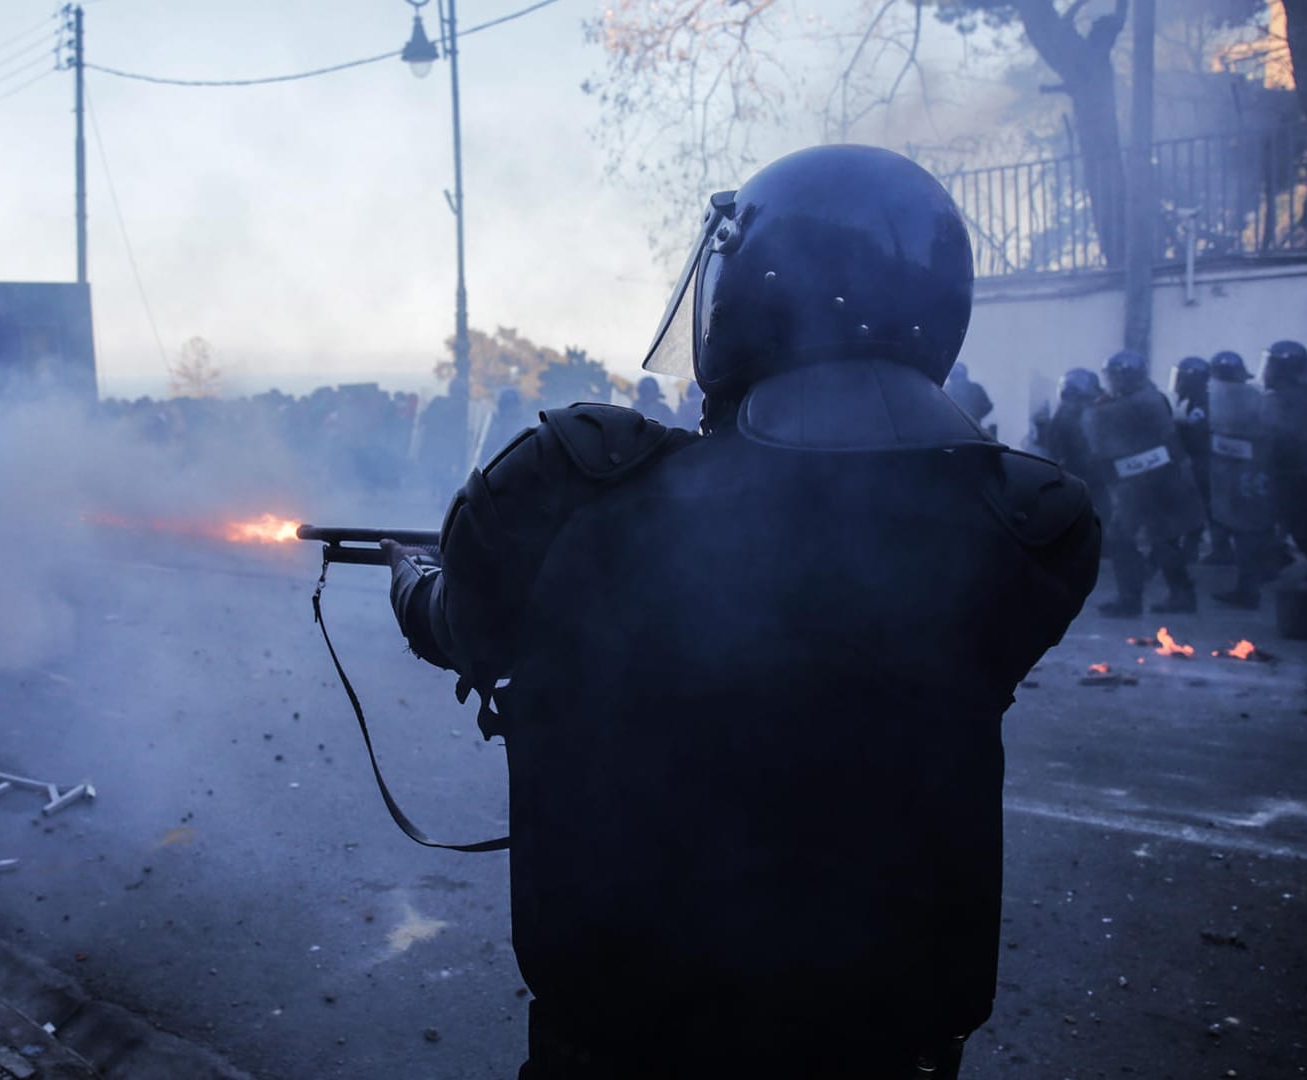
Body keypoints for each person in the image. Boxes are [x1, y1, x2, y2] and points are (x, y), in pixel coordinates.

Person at [382, 145, 1099, 1079]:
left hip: (629, 1029)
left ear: (741, 295)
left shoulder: (577, 481)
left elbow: (459, 628)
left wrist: (411, 576)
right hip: (891, 1035)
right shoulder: (1032, 522)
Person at [1083, 349, 1206, 616]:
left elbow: (1101, 435)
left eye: (1114, 376)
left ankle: (1130, 599)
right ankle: (1181, 594)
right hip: (1167, 475)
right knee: (1164, 537)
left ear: (1124, 377)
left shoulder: (1124, 405)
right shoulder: (1154, 397)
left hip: (1140, 480)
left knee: (1121, 537)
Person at [1205, 350, 1278, 608]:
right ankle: (1256, 576)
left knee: (1243, 530)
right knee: (1252, 527)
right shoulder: (1256, 397)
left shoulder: (1212, 396)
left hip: (1234, 475)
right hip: (1251, 473)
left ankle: (1250, 586)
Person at [1263, 339, 1307, 583]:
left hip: (1297, 473)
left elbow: (1278, 435)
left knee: (1302, 524)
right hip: (1304, 471)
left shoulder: (1279, 400)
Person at [1170, 355, 1228, 564]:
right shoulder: (1194, 400)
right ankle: (1197, 548)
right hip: (1199, 460)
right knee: (1201, 505)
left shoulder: (1201, 403)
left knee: (1202, 505)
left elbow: (1198, 435)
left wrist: (1178, 428)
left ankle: (1215, 550)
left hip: (1201, 461)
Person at [1043, 367, 1109, 523]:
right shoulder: (1064, 419)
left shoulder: (1086, 414)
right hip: (1078, 479)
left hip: (1091, 477)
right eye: (1083, 398)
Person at [943, 360, 995, 434]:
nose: (958, 380)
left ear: (964, 375)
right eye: (955, 376)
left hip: (972, 430)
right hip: (952, 430)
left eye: (959, 376)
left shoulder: (976, 389)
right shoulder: (947, 390)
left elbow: (988, 406)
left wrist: (975, 414)